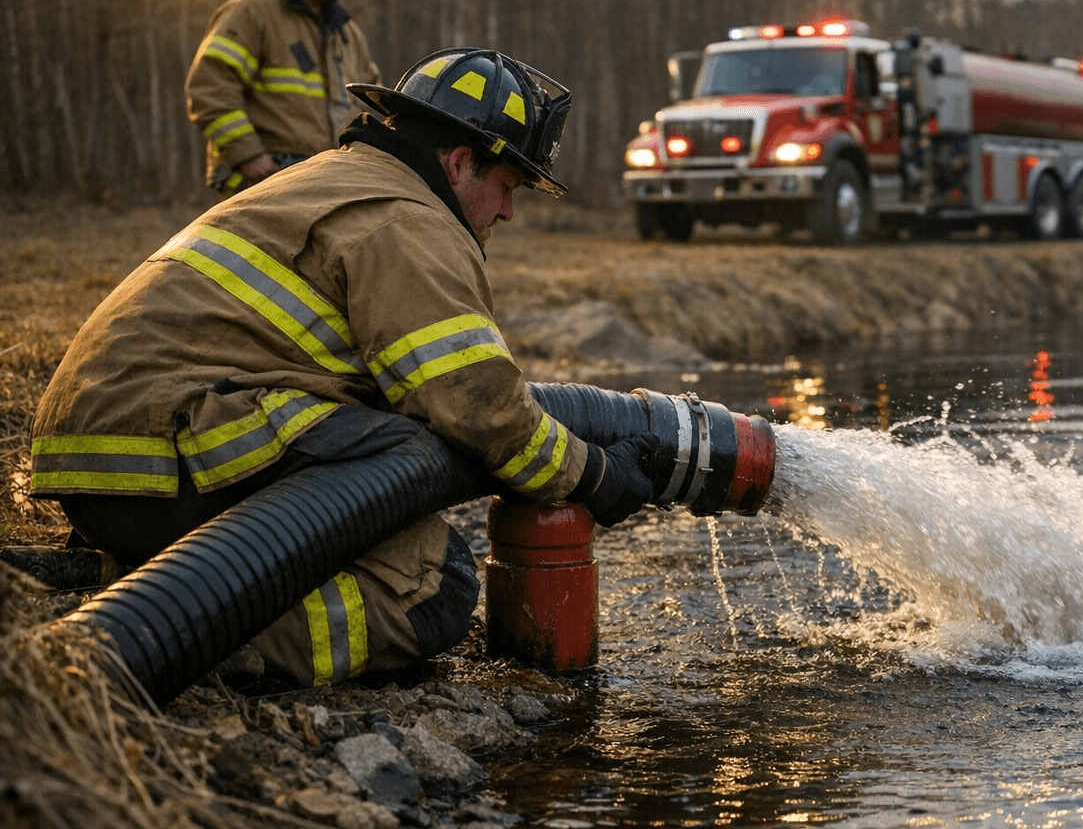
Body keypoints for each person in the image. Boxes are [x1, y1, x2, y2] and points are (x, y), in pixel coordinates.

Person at [31, 48, 661, 687]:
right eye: (508, 186)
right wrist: (592, 475)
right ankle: (204, 641)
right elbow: (479, 408)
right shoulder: (410, 222)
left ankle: (137, 577)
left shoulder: (335, 177)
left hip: (103, 457)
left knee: (390, 454)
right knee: (431, 581)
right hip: (167, 456)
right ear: (461, 161)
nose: (508, 211)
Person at [187, 0, 381, 197]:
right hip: (265, 182)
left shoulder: (348, 33)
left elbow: (373, 108)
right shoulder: (252, 12)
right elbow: (210, 88)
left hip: (334, 183)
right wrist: (249, 156)